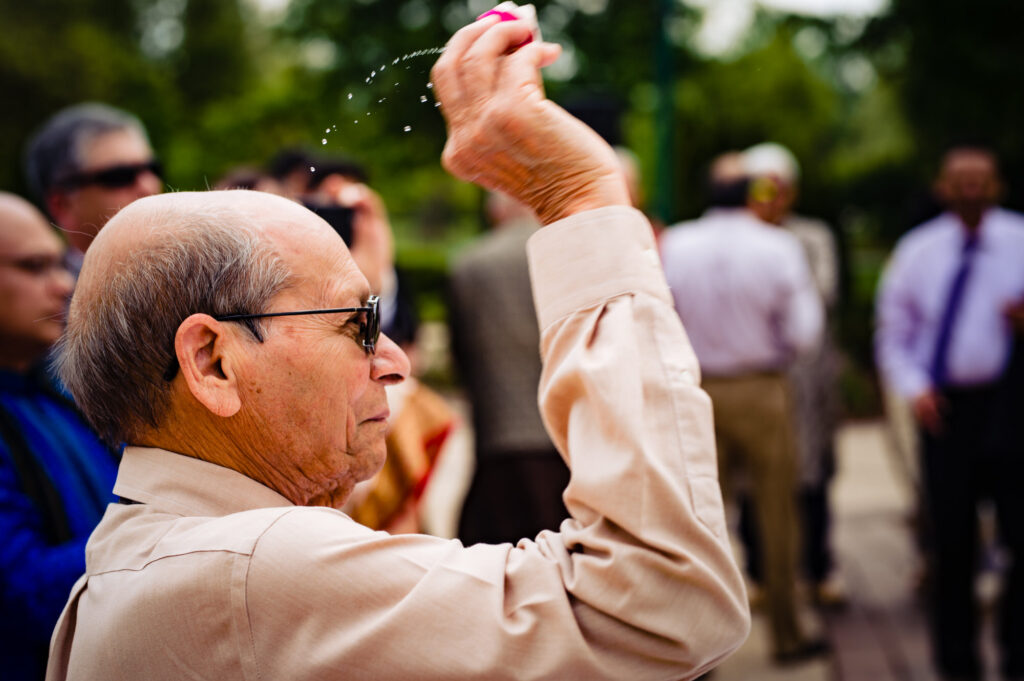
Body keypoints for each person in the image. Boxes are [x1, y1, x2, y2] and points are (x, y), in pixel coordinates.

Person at [45, 14, 749, 681]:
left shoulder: (144, 553)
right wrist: (582, 199)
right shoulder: (251, 570)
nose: (396, 360)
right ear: (212, 361)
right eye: (356, 323)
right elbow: (664, 599)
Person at [660, 152, 825, 663]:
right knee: (777, 515)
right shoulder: (778, 246)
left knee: (698, 522)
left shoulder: (677, 244)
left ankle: (698, 652)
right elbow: (806, 332)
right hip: (761, 387)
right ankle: (788, 634)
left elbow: (656, 315)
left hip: (695, 387)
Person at [875, 146, 1024, 681]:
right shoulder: (918, 252)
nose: (970, 189)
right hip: (947, 410)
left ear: (997, 185)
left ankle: (1016, 651)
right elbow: (894, 333)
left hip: (1011, 404)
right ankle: (956, 661)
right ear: (942, 186)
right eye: (960, 180)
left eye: (980, 180)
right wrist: (915, 389)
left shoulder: (1019, 240)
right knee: (952, 543)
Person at [0, 193, 119, 681]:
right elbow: (22, 595)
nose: (64, 284)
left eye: (59, 263)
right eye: (34, 266)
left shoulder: (60, 387)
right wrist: (164, 531)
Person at [742, 142, 846, 608]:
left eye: (780, 188)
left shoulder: (812, 237)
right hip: (756, 377)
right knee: (752, 478)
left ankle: (819, 569)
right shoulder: (737, 238)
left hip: (808, 380)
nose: (771, 198)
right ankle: (761, 575)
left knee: (813, 475)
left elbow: (821, 294)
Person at [450, 191, 569, 545]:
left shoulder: (470, 264)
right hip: (565, 425)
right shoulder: (564, 256)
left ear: (496, 211)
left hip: (500, 430)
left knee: (501, 543)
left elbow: (462, 351)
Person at [23, 103, 162, 274]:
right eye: (119, 176)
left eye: (153, 168)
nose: (148, 186)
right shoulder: (55, 296)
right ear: (62, 204)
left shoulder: (191, 274)